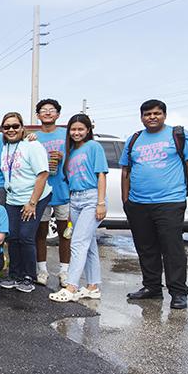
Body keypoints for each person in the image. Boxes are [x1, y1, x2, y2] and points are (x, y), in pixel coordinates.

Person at [121, 99, 188, 310]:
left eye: (156, 113)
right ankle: (152, 288)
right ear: (141, 117)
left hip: (169, 201)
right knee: (146, 247)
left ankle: (178, 292)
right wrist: (126, 200)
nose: (152, 117)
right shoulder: (134, 139)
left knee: (172, 248)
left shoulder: (178, 135)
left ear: (164, 115)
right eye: (147, 114)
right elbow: (126, 171)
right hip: (138, 203)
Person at [50, 114, 108, 303]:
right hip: (74, 199)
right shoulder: (71, 151)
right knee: (89, 244)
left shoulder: (94, 147)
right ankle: (92, 287)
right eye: (73, 129)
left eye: (80, 129)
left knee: (77, 243)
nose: (76, 133)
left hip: (91, 198)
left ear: (88, 130)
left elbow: (101, 176)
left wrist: (100, 203)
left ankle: (71, 287)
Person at [0, 112, 52, 293]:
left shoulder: (32, 145)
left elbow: (43, 173)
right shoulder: (4, 146)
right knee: (12, 236)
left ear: (22, 127)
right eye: (7, 127)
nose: (11, 129)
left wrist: (32, 203)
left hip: (34, 197)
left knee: (26, 236)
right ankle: (15, 274)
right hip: (13, 198)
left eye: (15, 126)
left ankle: (29, 276)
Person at [34, 99, 71, 286]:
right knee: (40, 233)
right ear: (38, 115)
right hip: (41, 193)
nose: (47, 113)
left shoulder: (67, 135)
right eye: (43, 110)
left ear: (57, 114)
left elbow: (76, 159)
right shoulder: (32, 138)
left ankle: (64, 272)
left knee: (65, 233)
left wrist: (64, 157)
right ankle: (42, 270)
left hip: (63, 190)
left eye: (52, 110)